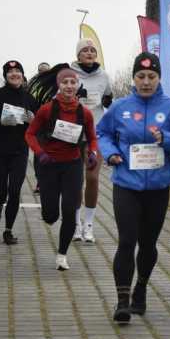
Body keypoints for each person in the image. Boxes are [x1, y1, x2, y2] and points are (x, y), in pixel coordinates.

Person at [97, 52, 170, 324]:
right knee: (127, 241)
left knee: (148, 243)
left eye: (151, 77)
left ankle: (141, 287)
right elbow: (102, 133)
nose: (146, 82)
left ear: (159, 78)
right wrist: (111, 153)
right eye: (141, 76)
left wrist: (166, 138)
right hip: (126, 183)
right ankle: (122, 301)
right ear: (134, 78)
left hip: (158, 187)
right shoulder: (120, 107)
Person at [25, 68, 98, 270]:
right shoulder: (47, 110)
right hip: (48, 164)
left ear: (78, 86)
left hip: (72, 164)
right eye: (65, 82)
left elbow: (92, 138)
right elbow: (30, 134)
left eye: (72, 82)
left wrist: (92, 153)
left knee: (69, 209)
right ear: (59, 85)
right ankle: (50, 214)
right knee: (50, 216)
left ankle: (62, 254)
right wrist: (39, 153)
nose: (69, 86)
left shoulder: (85, 113)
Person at [0, 60, 38, 245]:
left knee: (15, 191)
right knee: (1, 190)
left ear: (22, 74)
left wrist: (33, 120)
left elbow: (39, 123)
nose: (14, 74)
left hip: (20, 151)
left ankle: (8, 230)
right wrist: (1, 121)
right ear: (5, 76)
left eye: (17, 71)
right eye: (10, 71)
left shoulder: (30, 99)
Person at [71, 38, 113, 243]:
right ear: (78, 55)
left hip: (94, 135)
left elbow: (108, 98)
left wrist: (106, 100)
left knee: (93, 178)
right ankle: (76, 224)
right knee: (75, 181)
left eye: (92, 50)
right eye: (84, 50)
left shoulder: (104, 75)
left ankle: (89, 224)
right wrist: (74, 98)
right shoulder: (69, 74)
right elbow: (55, 100)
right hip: (71, 135)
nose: (89, 53)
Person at [33, 62, 51, 195]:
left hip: (53, 124)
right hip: (38, 123)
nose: (43, 73)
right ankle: (40, 181)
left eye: (46, 71)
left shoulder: (54, 84)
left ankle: (51, 180)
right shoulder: (34, 85)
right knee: (38, 153)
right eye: (41, 71)